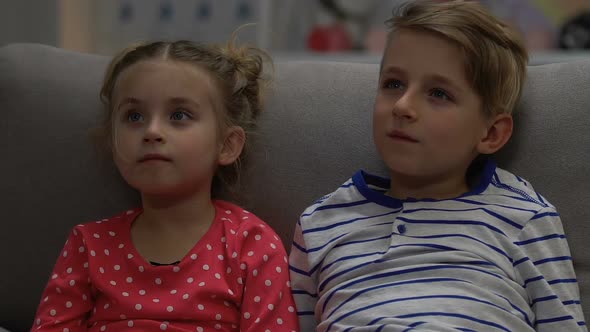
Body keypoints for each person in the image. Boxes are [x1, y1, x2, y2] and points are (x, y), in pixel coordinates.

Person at [288, 1, 586, 331]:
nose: (402, 106)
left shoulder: (524, 217)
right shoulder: (321, 224)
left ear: (490, 133)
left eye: (438, 93)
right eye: (393, 84)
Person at [32, 36, 299, 331]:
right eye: (134, 116)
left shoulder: (252, 246)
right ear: (112, 141)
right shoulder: (89, 245)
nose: (152, 131)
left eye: (179, 115)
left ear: (226, 145)